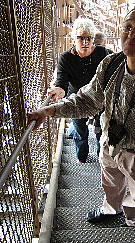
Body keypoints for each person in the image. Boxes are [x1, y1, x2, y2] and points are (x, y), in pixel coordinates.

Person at [27, 3, 135, 227]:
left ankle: (133, 217)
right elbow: (87, 100)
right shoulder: (111, 64)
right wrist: (50, 110)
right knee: (110, 183)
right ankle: (111, 211)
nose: (131, 33)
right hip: (109, 143)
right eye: (128, 27)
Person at [50, 18, 110, 162]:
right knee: (80, 130)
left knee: (101, 130)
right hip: (77, 99)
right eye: (81, 38)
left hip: (99, 99)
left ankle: (101, 159)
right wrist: (57, 91)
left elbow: (112, 74)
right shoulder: (66, 58)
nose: (85, 42)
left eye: (89, 38)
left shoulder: (102, 53)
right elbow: (62, 84)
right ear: (73, 38)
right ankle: (81, 158)